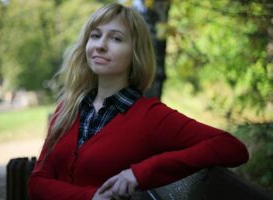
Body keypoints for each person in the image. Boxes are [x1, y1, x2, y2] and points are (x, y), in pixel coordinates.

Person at [28, 3, 249, 200]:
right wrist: (91, 196)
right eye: (95, 36)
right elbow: (37, 183)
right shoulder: (67, 109)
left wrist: (139, 173)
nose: (100, 45)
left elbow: (231, 147)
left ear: (135, 53)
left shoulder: (151, 116)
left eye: (115, 38)